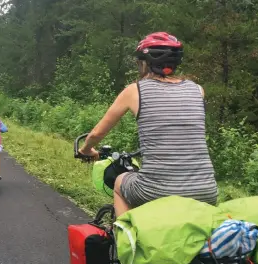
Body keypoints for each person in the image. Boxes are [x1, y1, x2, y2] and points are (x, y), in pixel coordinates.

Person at [78, 32, 218, 218]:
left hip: (155, 190)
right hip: (206, 192)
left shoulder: (135, 90)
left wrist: (87, 150)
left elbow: (96, 134)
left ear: (144, 62)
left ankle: (126, 239)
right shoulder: (197, 90)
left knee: (120, 181)